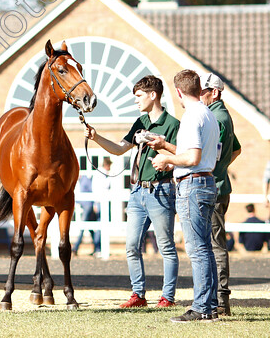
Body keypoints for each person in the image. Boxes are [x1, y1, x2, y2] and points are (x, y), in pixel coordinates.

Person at [85, 75, 180, 309]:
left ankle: (167, 297)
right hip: (137, 192)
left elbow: (184, 155)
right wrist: (96, 137)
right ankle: (138, 295)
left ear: (153, 95)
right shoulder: (140, 122)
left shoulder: (173, 125)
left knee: (166, 247)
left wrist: (166, 156)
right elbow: (119, 149)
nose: (136, 101)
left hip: (162, 191)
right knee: (131, 246)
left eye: (138, 96)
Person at [151, 69, 220, 323]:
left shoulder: (191, 116)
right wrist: (170, 152)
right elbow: (193, 153)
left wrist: (168, 159)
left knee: (197, 249)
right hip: (206, 181)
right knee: (206, 248)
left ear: (178, 92)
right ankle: (210, 305)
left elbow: (192, 158)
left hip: (192, 185)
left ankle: (201, 307)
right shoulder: (208, 114)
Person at [199, 72, 241, 316]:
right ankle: (217, 298)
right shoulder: (221, 115)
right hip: (219, 185)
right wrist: (223, 167)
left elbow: (211, 157)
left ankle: (221, 300)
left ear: (214, 92)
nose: (199, 95)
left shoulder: (216, 118)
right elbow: (236, 149)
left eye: (203, 91)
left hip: (212, 188)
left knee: (214, 245)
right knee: (214, 243)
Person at [73, 173, 100, 256]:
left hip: (88, 206)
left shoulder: (85, 180)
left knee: (83, 226)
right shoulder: (77, 181)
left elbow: (91, 191)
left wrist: (95, 204)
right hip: (84, 206)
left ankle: (75, 248)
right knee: (89, 229)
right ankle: (97, 248)